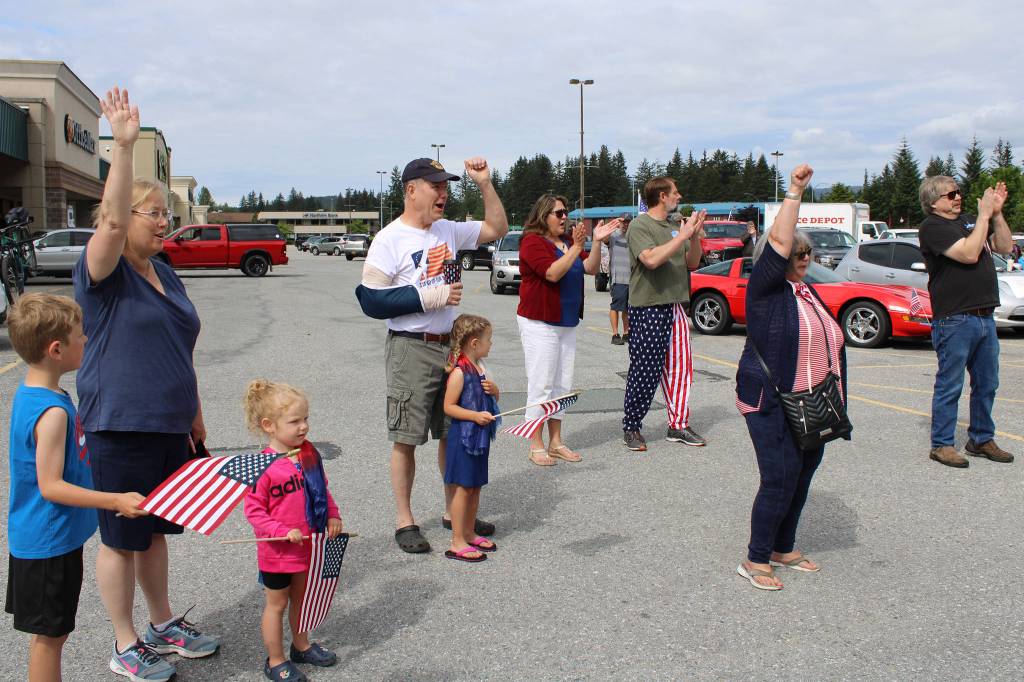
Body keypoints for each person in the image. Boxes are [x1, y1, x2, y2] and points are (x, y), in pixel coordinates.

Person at [72, 87, 217, 681]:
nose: (165, 222)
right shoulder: (102, 273)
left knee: (155, 533)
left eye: (166, 213)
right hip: (120, 424)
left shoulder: (163, 272)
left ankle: (162, 624)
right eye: (153, 214)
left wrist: (194, 414)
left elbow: (178, 347)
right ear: (124, 218)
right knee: (120, 539)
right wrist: (125, 148)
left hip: (168, 424)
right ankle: (124, 641)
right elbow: (107, 221)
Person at [355, 156, 509, 553]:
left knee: (451, 432)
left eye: (446, 187)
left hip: (451, 348)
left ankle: (452, 512)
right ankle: (405, 520)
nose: (444, 194)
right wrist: (427, 297)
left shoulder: (448, 231)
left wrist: (485, 185)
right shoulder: (390, 238)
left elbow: (497, 229)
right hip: (411, 347)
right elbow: (370, 300)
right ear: (411, 190)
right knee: (406, 437)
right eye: (435, 186)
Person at [5, 294, 148, 682]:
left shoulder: (36, 394)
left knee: (54, 632)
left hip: (46, 539)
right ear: (56, 349)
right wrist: (114, 499)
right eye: (80, 336)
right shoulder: (51, 413)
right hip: (48, 543)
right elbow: (51, 487)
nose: (86, 340)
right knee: (51, 637)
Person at [734, 163, 849, 591]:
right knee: (780, 475)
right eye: (798, 254)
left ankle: (783, 546)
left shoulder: (807, 290)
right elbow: (780, 240)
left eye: (809, 254)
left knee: (803, 471)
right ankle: (756, 557)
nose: (805, 259)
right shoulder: (765, 289)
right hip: (770, 400)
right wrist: (795, 192)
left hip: (811, 401)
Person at [242, 380, 344, 682]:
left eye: (306, 418)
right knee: (277, 604)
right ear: (269, 426)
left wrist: (333, 515)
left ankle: (301, 645)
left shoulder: (308, 456)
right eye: (295, 421)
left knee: (302, 598)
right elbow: (254, 511)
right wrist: (280, 529)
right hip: (277, 552)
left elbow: (322, 491)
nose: (304, 427)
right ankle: (275, 660)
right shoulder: (262, 467)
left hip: (308, 546)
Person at [918, 176, 1016, 468]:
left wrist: (996, 214)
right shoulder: (932, 227)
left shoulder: (971, 221)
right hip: (955, 318)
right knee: (950, 384)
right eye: (951, 194)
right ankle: (942, 444)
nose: (958, 197)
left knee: (988, 383)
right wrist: (984, 215)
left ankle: (981, 438)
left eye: (959, 192)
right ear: (934, 201)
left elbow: (1005, 246)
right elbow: (969, 254)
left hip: (985, 316)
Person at [516, 195, 620, 466]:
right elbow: (551, 273)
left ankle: (556, 441)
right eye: (558, 213)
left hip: (566, 321)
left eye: (565, 213)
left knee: (562, 384)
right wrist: (575, 247)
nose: (564, 217)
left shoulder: (565, 243)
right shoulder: (532, 242)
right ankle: (535, 444)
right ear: (543, 216)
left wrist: (595, 242)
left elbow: (590, 267)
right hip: (540, 322)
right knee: (541, 383)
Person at [621, 177, 706, 452]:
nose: (679, 197)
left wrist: (694, 237)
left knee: (681, 370)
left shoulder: (674, 227)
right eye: (675, 193)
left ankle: (678, 425)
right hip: (648, 307)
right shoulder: (640, 225)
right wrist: (683, 235)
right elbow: (651, 260)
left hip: (675, 306)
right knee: (645, 371)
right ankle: (632, 426)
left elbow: (691, 263)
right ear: (661, 196)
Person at [441, 315, 500, 562]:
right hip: (463, 439)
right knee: (462, 489)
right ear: (474, 343)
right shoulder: (459, 373)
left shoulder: (480, 368)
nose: (491, 344)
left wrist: (495, 391)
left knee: (475, 487)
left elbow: (489, 398)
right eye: (489, 340)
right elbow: (449, 407)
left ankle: (468, 531)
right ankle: (457, 541)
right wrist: (475, 416)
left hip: (479, 439)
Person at [607, 216, 631, 345]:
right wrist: (612, 224)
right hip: (618, 278)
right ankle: (615, 334)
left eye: (628, 221)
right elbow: (603, 239)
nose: (625, 224)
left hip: (631, 279)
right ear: (619, 222)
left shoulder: (632, 236)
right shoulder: (613, 236)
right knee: (616, 306)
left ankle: (626, 333)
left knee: (627, 308)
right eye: (623, 221)